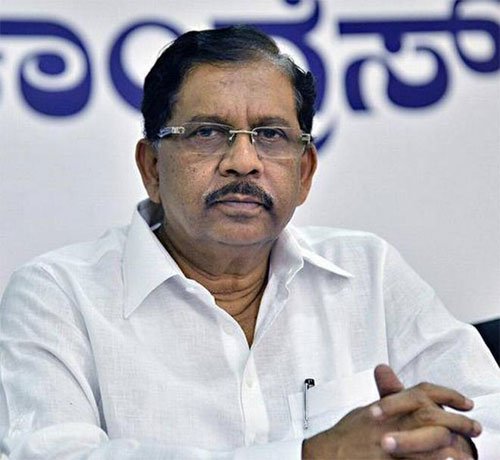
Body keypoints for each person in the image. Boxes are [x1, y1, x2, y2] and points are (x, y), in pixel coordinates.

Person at [0, 25, 499, 460]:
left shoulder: (369, 271)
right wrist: (310, 455)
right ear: (151, 167)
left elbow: (489, 411)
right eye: (208, 133)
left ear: (304, 173)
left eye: (271, 135)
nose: (243, 162)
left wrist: (456, 448)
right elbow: (53, 453)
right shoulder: (58, 296)